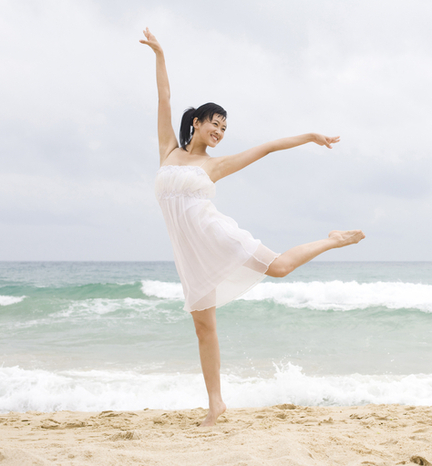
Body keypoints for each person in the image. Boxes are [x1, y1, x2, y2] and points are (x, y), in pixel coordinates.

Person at [140, 28, 365, 427]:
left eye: (224, 128)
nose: (220, 132)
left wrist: (309, 136)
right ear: (195, 123)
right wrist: (159, 54)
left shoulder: (216, 164)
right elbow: (164, 99)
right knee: (203, 327)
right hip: (189, 253)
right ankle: (216, 404)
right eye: (215, 124)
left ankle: (331, 241)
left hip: (216, 236)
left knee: (278, 267)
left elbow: (267, 148)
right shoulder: (168, 151)